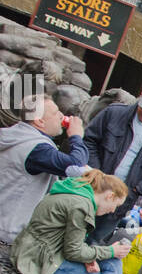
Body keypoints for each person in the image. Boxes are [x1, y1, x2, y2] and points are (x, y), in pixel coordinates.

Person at [83, 84, 142, 243]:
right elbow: (89, 140)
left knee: (94, 243)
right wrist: (96, 173)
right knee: (72, 235)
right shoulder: (113, 113)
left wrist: (137, 189)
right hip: (92, 189)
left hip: (121, 202)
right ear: (141, 95)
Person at [0, 96, 89, 242]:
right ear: (39, 121)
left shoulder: (14, 135)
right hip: (7, 234)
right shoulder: (36, 148)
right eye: (55, 112)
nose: (61, 115)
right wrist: (76, 136)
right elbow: (76, 164)